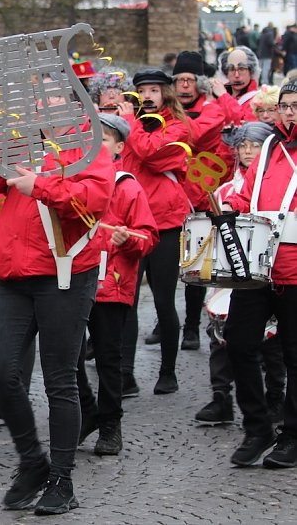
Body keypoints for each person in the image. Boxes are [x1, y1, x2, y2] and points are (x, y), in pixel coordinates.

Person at [0, 90, 115, 514]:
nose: (42, 108)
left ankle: (61, 479)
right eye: (38, 102)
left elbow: (93, 200)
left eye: (52, 101)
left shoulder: (88, 143)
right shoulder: (23, 140)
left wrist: (39, 185)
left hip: (65, 272)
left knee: (60, 379)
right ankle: (32, 461)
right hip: (16, 273)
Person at [221, 81, 297, 468]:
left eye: (296, 106)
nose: (289, 113)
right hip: (258, 267)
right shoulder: (269, 147)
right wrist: (227, 205)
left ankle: (292, 435)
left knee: (293, 354)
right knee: (238, 342)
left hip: (295, 269)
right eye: (284, 106)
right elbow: (246, 194)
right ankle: (258, 427)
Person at [77, 114, 158, 455]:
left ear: (120, 147)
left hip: (111, 284)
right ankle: (86, 412)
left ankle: (110, 423)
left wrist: (128, 240)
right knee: (69, 356)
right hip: (75, 279)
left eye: (105, 138)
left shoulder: (128, 185)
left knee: (109, 357)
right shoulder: (76, 181)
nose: (98, 143)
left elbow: (148, 236)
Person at [195, 122, 286, 426]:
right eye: (243, 145)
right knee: (222, 332)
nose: (248, 151)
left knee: (272, 337)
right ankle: (221, 396)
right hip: (230, 269)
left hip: (269, 268)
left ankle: (275, 395)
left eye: (255, 145)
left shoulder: (278, 180)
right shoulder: (225, 190)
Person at [117, 68, 192, 396]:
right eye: (142, 89)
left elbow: (151, 153)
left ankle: (167, 371)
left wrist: (129, 124)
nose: (147, 95)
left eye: (154, 90)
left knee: (163, 300)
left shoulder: (177, 126)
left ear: (165, 94)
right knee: (127, 302)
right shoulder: (129, 126)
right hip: (131, 222)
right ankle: (126, 374)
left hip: (165, 223)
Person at [170, 51, 226, 351]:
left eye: (190, 80)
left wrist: (168, 124)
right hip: (169, 200)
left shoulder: (214, 111)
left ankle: (191, 326)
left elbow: (194, 136)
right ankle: (165, 323)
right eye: (179, 80)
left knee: (196, 269)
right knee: (163, 271)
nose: (184, 86)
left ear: (199, 84)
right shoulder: (170, 111)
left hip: (199, 200)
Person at [211, 45, 260, 125]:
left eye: (241, 69)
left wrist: (224, 96)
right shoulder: (216, 95)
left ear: (251, 72)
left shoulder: (258, 100)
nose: (236, 75)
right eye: (231, 69)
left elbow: (243, 125)